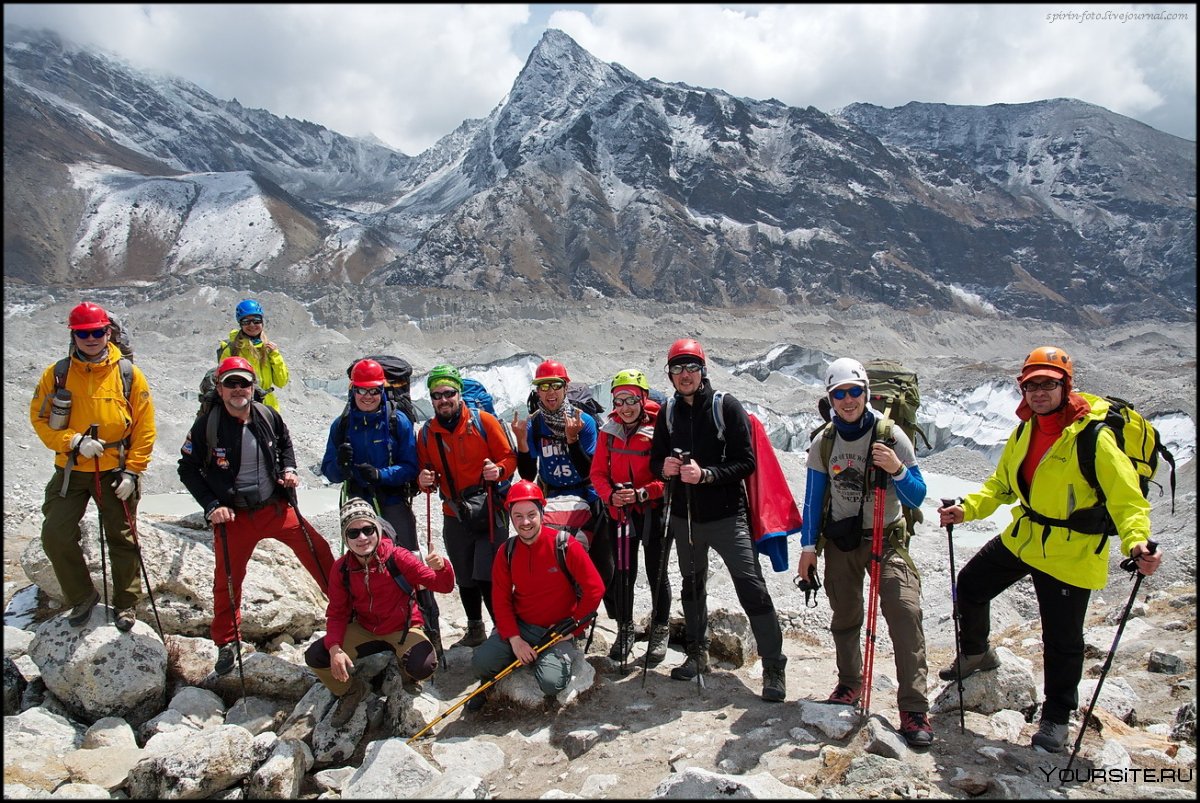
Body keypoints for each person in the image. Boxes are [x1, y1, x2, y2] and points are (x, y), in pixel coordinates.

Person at [937, 346, 1161, 753]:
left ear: (1065, 385)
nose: (1039, 392)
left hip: (1071, 550)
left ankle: (1057, 718)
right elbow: (1002, 486)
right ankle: (975, 653)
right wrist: (966, 509)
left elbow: (1127, 501)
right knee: (970, 585)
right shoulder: (1026, 430)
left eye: (1048, 384)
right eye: (1031, 385)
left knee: (1062, 640)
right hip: (1027, 535)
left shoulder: (1094, 437)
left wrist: (1136, 542)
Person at [797, 357, 932, 746]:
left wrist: (897, 470)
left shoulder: (891, 437)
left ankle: (914, 707)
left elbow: (918, 494)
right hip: (843, 541)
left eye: (854, 391)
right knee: (845, 614)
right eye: (839, 393)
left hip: (885, 539)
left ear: (866, 393)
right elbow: (813, 498)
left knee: (905, 614)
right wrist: (809, 549)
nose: (848, 399)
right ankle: (849, 684)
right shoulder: (824, 442)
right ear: (830, 399)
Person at [648, 338, 787, 702]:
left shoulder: (726, 407)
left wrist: (706, 475)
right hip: (684, 516)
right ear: (670, 374)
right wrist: (664, 468)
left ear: (702, 370)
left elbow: (746, 462)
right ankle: (698, 653)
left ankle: (774, 665)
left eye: (691, 367)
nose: (685, 375)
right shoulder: (667, 412)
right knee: (692, 587)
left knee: (751, 587)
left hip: (726, 515)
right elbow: (655, 459)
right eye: (678, 369)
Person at [178, 356, 335, 675]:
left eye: (244, 383)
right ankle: (226, 642)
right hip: (233, 517)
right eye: (230, 383)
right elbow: (187, 468)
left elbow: (285, 444)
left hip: (274, 507)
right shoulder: (207, 426)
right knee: (228, 579)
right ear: (219, 389)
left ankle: (352, 612)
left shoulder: (267, 415)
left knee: (319, 552)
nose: (238, 389)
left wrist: (288, 469)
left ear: (253, 387)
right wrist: (211, 505)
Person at [30, 302, 156, 631]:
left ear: (108, 332)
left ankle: (127, 604)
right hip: (72, 468)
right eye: (83, 333)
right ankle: (81, 596)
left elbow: (144, 426)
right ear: (73, 335)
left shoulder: (128, 374)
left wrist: (133, 470)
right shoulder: (56, 374)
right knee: (55, 534)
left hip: (115, 470)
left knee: (122, 537)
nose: (91, 338)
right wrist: (72, 441)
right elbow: (41, 419)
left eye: (97, 332)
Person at [304, 497, 455, 727]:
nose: (362, 538)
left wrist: (442, 567)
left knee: (423, 666)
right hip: (365, 629)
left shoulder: (398, 557)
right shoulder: (342, 568)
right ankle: (353, 690)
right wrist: (335, 649)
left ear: (377, 529)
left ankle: (407, 671)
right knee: (317, 655)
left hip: (401, 628)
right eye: (353, 533)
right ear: (345, 538)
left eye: (367, 529)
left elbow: (443, 586)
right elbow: (337, 612)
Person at [466, 480, 605, 712]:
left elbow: (595, 588)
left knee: (551, 684)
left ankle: (535, 660)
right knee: (481, 663)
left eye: (531, 514)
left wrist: (573, 628)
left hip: (557, 630)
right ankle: (497, 675)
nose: (526, 522)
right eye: (518, 516)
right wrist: (514, 639)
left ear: (542, 512)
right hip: (522, 626)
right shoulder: (507, 551)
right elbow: (500, 598)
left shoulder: (564, 544)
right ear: (511, 517)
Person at [416, 364, 517, 648]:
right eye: (437, 395)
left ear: (459, 394)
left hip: (489, 509)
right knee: (465, 575)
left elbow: (509, 458)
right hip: (455, 513)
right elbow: (427, 478)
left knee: (488, 574)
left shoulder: (483, 421)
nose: (443, 400)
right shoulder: (427, 434)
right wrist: (423, 480)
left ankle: (502, 631)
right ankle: (476, 629)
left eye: (449, 393)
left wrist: (498, 471)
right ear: (431, 399)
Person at [511, 359, 612, 621]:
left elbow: (591, 469)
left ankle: (599, 613)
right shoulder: (534, 424)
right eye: (543, 387)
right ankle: (561, 612)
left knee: (598, 561)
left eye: (555, 385)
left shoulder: (584, 422)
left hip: (586, 497)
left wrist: (572, 440)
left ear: (565, 388)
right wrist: (522, 442)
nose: (550, 392)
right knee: (555, 560)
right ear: (537, 392)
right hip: (553, 498)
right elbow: (527, 474)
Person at [589, 369, 671, 665]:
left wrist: (643, 493)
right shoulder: (608, 432)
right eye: (620, 399)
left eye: (632, 399)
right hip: (619, 514)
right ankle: (625, 629)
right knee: (623, 575)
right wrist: (610, 495)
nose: (625, 406)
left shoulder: (659, 429)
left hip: (652, 512)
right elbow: (597, 472)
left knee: (656, 573)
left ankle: (660, 629)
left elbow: (667, 476)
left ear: (643, 398)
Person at [320, 358, 420, 549]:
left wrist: (380, 475)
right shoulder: (341, 425)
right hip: (358, 503)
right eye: (362, 390)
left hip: (392, 499)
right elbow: (330, 472)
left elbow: (411, 467)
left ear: (382, 389)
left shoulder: (397, 422)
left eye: (374, 390)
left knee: (406, 559)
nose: (368, 396)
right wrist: (341, 466)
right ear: (353, 390)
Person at [217, 299, 289, 411]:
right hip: (240, 406)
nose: (252, 325)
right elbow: (222, 382)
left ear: (262, 322)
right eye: (246, 321)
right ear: (240, 324)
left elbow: (281, 382)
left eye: (256, 321)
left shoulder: (269, 349)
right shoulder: (231, 350)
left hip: (268, 406)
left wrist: (275, 355)